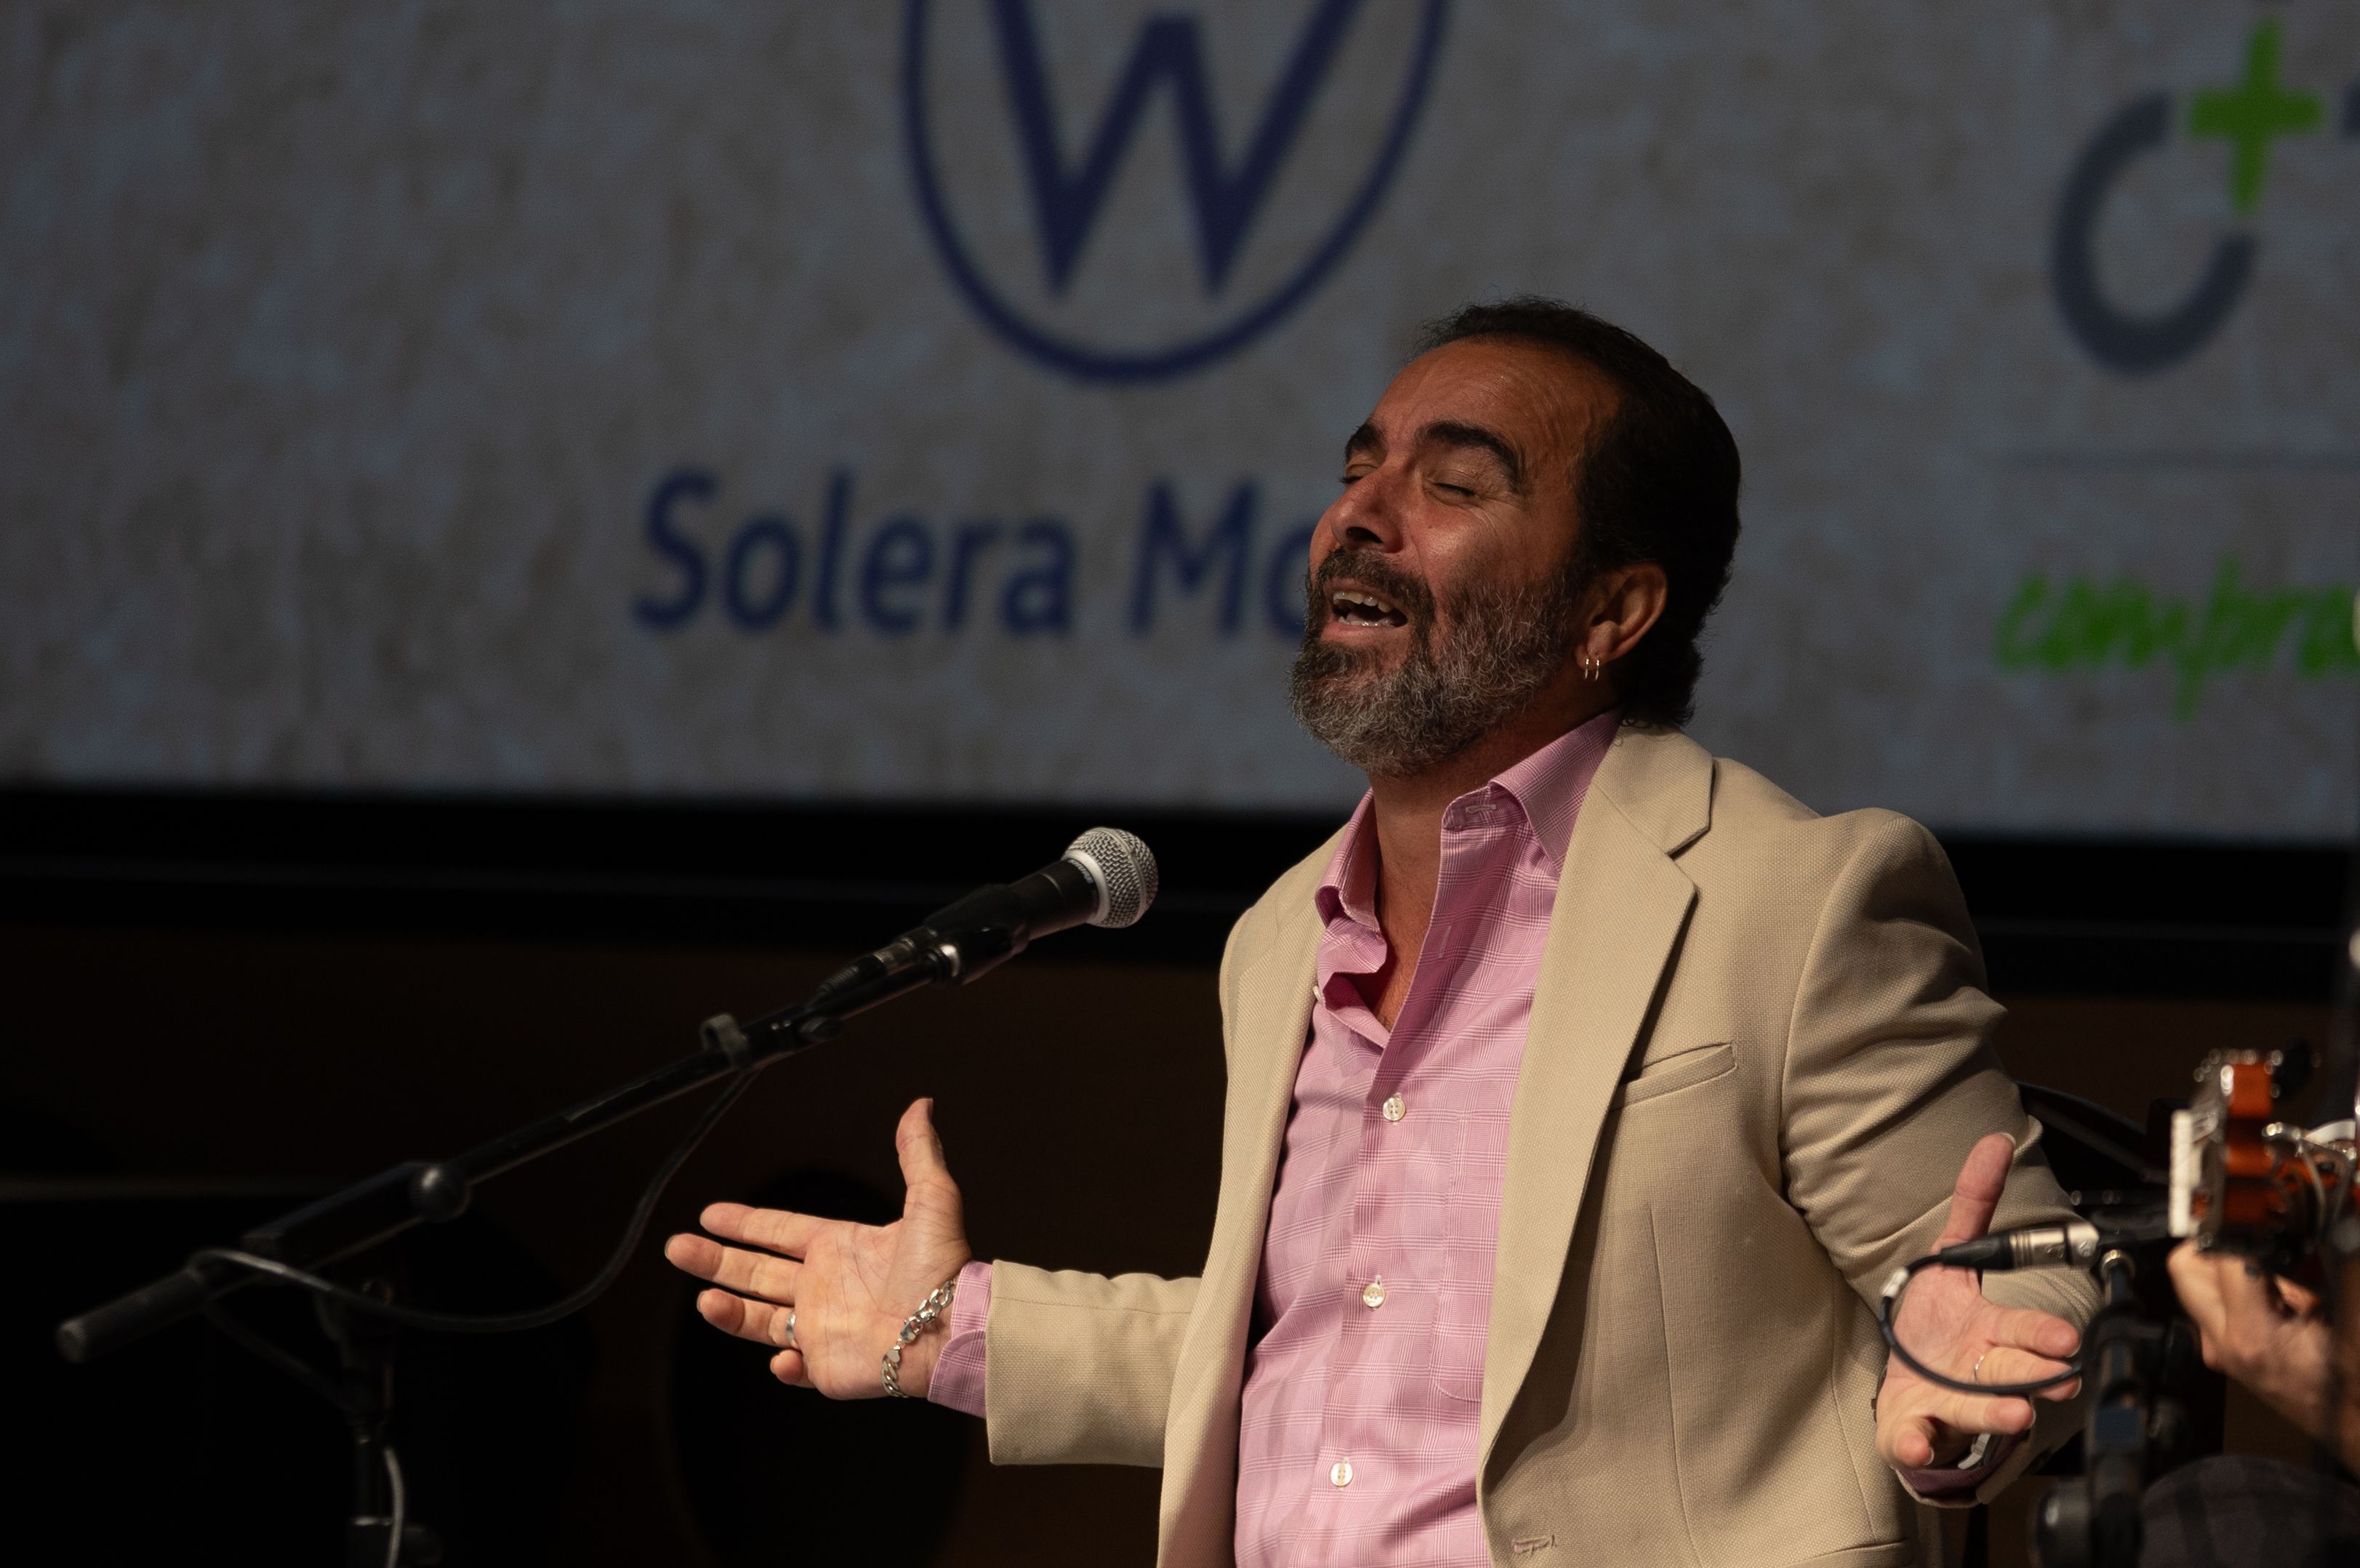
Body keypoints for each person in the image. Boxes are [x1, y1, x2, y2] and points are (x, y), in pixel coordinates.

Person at [665, 298, 2098, 1567]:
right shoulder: (1283, 933)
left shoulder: (1791, 900)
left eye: (1455, 482)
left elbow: (2011, 1276)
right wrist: (949, 1327)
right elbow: (1339, 1349)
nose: (1360, 512)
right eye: (1358, 468)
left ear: (1613, 609)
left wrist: (1962, 1416)